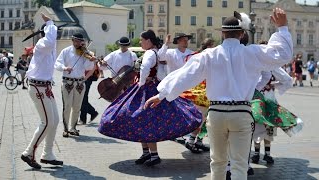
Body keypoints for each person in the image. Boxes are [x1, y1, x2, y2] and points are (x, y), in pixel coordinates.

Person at [144, 8, 293, 179]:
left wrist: (161, 95)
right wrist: (282, 28)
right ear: (242, 34)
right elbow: (282, 54)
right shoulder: (252, 53)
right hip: (241, 113)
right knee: (239, 164)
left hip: (217, 114)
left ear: (222, 34)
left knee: (218, 163)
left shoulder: (209, 55)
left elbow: (185, 75)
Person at [98, 30, 202, 167]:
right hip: (151, 87)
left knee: (145, 120)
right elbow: (156, 62)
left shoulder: (149, 53)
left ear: (148, 41)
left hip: (147, 89)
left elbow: (146, 67)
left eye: (142, 40)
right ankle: (147, 152)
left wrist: (140, 84)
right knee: (142, 120)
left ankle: (153, 154)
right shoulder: (154, 52)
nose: (140, 42)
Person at [21, 13, 63, 169]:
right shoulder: (42, 45)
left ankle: (47, 154)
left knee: (55, 120)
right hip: (38, 87)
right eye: (53, 30)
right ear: (46, 32)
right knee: (46, 122)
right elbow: (51, 40)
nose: (55, 34)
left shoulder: (49, 48)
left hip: (45, 87)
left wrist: (51, 26)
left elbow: (53, 41)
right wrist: (50, 22)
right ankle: (28, 153)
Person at [54, 33, 95, 137]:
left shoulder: (86, 52)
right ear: (72, 40)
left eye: (80, 41)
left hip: (80, 82)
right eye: (75, 41)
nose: (77, 43)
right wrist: (64, 68)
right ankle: (65, 128)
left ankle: (73, 128)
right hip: (67, 82)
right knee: (67, 106)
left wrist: (90, 60)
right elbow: (57, 64)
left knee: (77, 107)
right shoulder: (66, 51)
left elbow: (88, 68)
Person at [180, 38, 215, 153]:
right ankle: (191, 140)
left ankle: (197, 140)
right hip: (201, 91)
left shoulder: (193, 55)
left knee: (203, 117)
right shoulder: (206, 57)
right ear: (209, 46)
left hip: (195, 89)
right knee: (202, 116)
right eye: (212, 46)